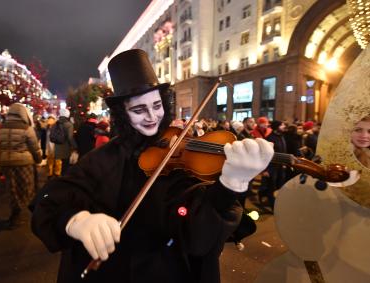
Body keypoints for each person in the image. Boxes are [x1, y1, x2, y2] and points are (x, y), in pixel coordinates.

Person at [30, 49, 274, 283]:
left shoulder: (180, 158)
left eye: (156, 106)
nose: (152, 117)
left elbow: (199, 234)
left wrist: (231, 184)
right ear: (123, 114)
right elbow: (49, 199)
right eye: (139, 109)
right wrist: (76, 220)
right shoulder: (103, 158)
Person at [0, 103, 42, 228]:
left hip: (6, 164)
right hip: (24, 164)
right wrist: (38, 160)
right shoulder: (27, 129)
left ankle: (15, 214)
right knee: (26, 188)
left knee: (12, 188)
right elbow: (35, 148)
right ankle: (29, 213)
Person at [54, 108, 78, 176]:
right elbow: (70, 137)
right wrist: (75, 146)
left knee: (59, 165)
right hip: (65, 148)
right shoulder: (69, 124)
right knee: (65, 166)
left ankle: (58, 178)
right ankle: (63, 180)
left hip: (57, 147)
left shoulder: (56, 123)